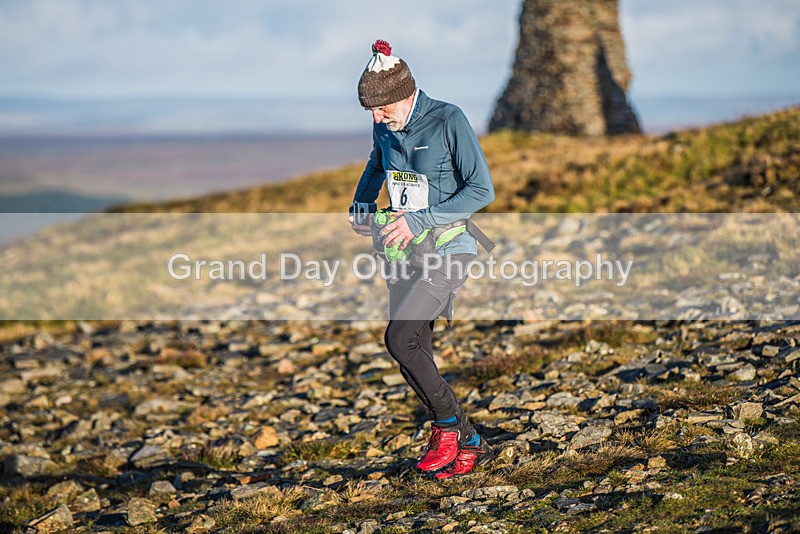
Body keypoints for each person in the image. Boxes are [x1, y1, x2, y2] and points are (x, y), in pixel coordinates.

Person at [349, 40, 495, 479]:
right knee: (414, 352)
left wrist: (419, 220)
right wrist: (361, 203)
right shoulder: (384, 126)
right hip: (403, 252)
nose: (377, 118)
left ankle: (448, 428)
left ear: (407, 93)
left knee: (400, 339)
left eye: (382, 108)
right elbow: (377, 163)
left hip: (450, 249)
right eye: (370, 111)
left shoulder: (448, 119)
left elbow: (481, 190)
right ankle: (471, 443)